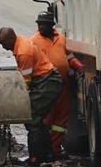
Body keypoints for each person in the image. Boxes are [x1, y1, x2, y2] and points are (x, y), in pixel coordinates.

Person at [0, 27, 62, 165]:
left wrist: (16, 102)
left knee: (31, 118)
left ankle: (35, 158)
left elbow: (25, 83)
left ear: (10, 39)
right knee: (38, 119)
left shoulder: (23, 52)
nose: (4, 48)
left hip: (47, 82)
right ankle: (48, 154)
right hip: (45, 81)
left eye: (4, 44)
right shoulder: (21, 42)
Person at [31, 11, 84, 159]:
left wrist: (79, 67)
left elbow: (69, 57)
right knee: (47, 118)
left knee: (61, 120)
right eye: (39, 24)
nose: (41, 27)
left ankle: (55, 149)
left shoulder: (61, 39)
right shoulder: (34, 41)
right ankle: (45, 149)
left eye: (44, 24)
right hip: (46, 87)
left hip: (63, 86)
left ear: (51, 26)